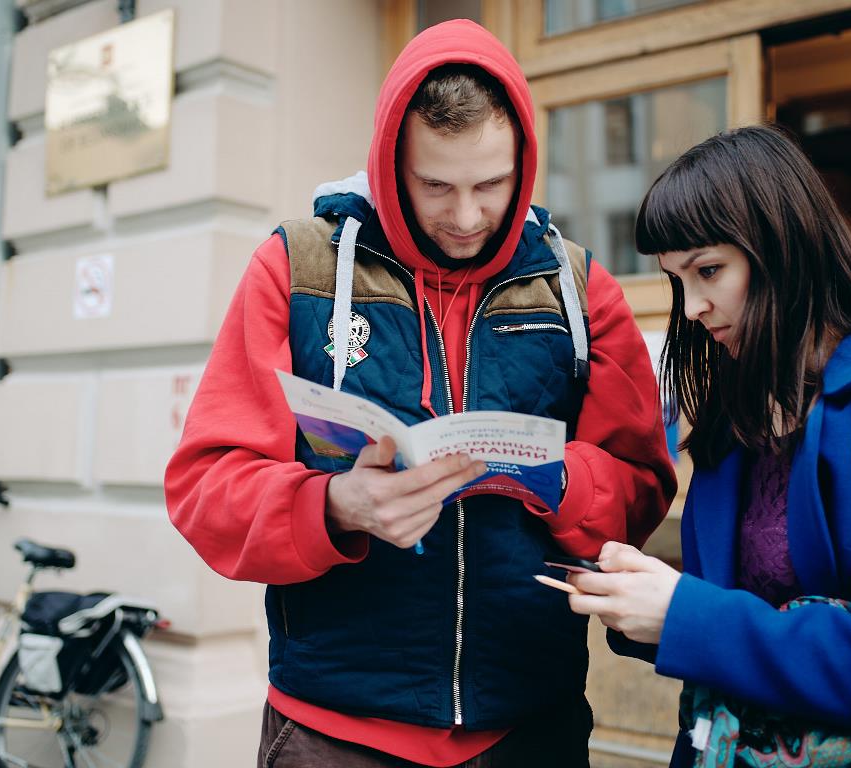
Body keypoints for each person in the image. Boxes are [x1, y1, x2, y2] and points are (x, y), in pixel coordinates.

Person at [164, 19, 677, 768]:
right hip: (332, 731)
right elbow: (206, 487)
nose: (465, 216)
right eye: (435, 184)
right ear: (389, 162)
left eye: (491, 185)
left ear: (524, 166)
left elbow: (642, 487)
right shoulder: (295, 268)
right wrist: (334, 506)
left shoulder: (577, 286)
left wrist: (560, 479)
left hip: (529, 725)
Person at [562, 125, 851, 767]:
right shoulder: (733, 417)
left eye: (709, 270)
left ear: (784, 249)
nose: (691, 308)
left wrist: (686, 615)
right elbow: (747, 613)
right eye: (676, 280)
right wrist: (643, 601)